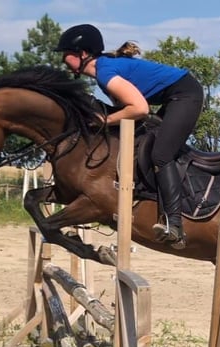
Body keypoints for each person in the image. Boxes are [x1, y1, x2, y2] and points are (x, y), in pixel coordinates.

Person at [55, 24, 204, 249]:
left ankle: (174, 225)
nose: (63, 59)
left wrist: (105, 121)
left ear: (82, 54)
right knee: (144, 143)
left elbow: (140, 109)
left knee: (161, 154)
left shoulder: (105, 73)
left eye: (66, 54)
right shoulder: (103, 71)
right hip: (171, 98)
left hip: (185, 95)